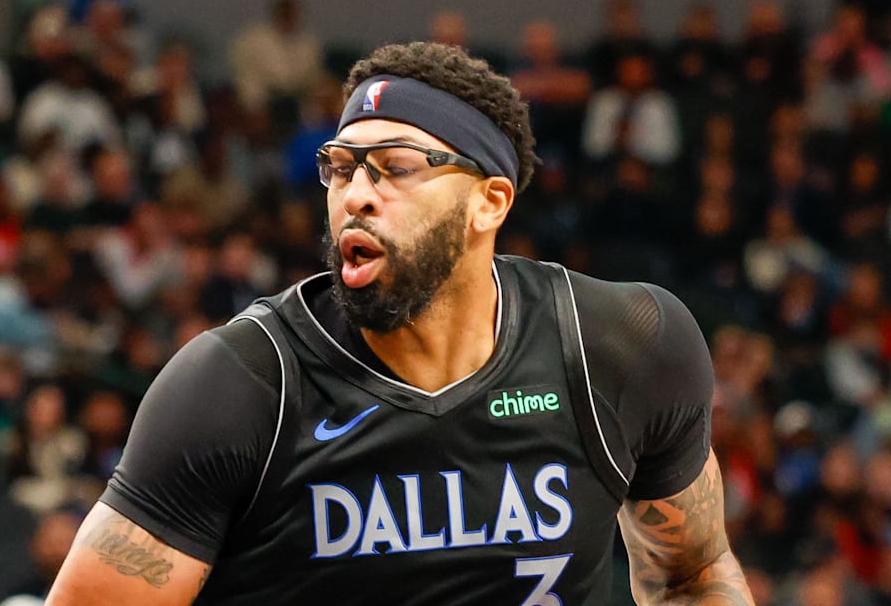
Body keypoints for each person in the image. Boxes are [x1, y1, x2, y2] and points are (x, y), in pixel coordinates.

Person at [46, 41, 753, 605]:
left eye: (396, 167)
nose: (357, 195)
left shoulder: (619, 346)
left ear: (490, 202)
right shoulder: (240, 384)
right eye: (342, 169)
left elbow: (692, 573)